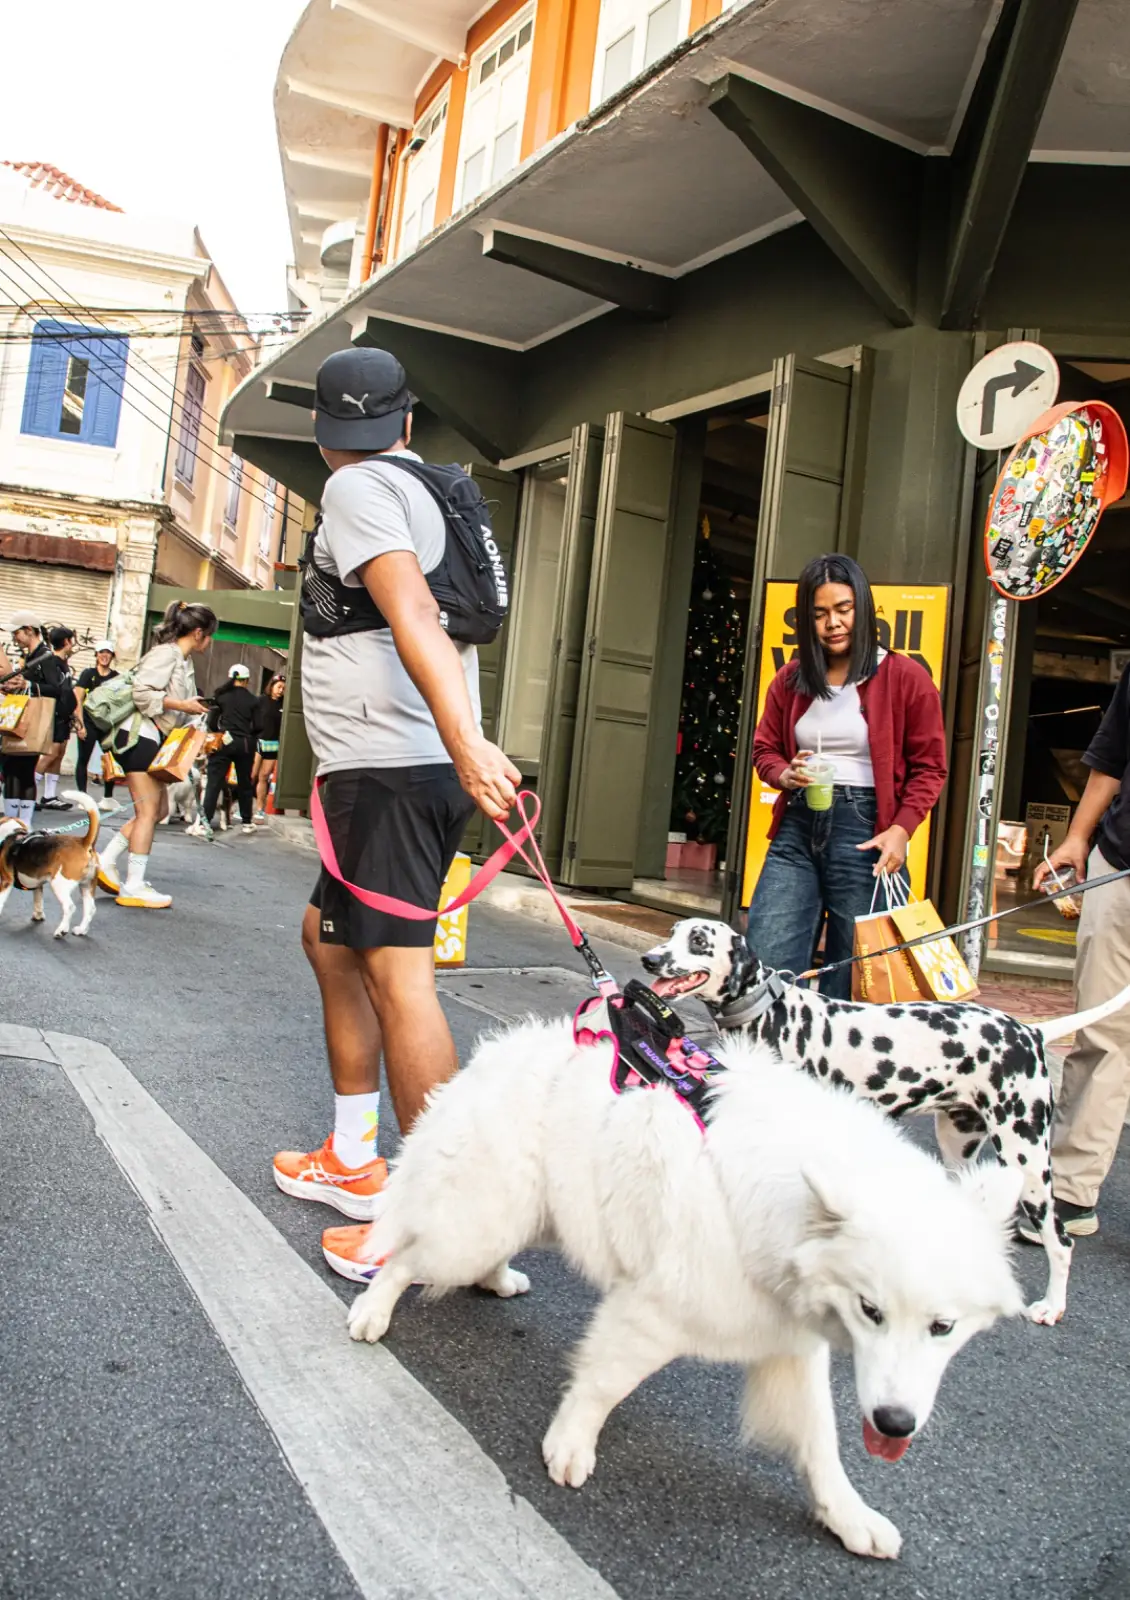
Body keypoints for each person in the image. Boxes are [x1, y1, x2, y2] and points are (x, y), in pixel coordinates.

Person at [271, 345, 519, 1281]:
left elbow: (412, 612)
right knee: (327, 939)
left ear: (327, 435)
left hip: (391, 770)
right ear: (408, 421)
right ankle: (352, 1155)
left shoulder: (357, 489)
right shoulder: (434, 488)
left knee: (397, 976)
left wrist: (462, 741)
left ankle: (438, 1222)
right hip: (390, 770)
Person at [745, 553, 947, 1001]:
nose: (832, 623)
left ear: (863, 608)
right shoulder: (791, 678)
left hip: (867, 831)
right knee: (767, 955)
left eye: (843, 609)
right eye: (819, 614)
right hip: (798, 825)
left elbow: (930, 766)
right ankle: (765, 1063)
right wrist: (784, 773)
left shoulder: (905, 677)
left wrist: (901, 829)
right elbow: (764, 750)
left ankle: (833, 1068)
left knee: (856, 973)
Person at [1027, 659, 1130, 1240]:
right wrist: (1077, 837)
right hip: (1119, 864)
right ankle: (1068, 1192)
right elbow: (1112, 752)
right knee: (1102, 1033)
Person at [95, 600, 215, 909]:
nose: (211, 641)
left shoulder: (183, 660)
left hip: (151, 739)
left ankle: (105, 862)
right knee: (148, 813)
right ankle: (133, 885)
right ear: (199, 633)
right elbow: (143, 693)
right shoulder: (166, 654)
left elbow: (172, 702)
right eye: (210, 635)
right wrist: (183, 705)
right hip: (139, 737)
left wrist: (192, 711)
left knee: (159, 810)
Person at [190, 664, 259, 841]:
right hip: (244, 744)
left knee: (214, 782)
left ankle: (205, 822)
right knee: (244, 783)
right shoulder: (253, 700)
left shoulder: (221, 696)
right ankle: (246, 821)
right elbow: (258, 726)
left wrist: (220, 732)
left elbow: (212, 721)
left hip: (223, 741)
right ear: (247, 680)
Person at [2, 611, 54, 828]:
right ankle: (13, 823)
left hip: (32, 724)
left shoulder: (46, 657)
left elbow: (59, 690)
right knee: (13, 772)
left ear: (30, 631)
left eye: (17, 633)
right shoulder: (31, 657)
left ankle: (23, 823)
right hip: (22, 723)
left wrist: (28, 686)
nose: (15, 638)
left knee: (23, 772)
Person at [74, 638, 120, 811]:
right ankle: (83, 797)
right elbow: (77, 698)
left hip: (107, 725)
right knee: (83, 759)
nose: (104, 656)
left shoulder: (117, 677)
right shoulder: (88, 674)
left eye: (108, 652)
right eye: (101, 652)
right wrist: (80, 725)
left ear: (112, 655)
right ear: (96, 655)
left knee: (111, 760)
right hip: (88, 722)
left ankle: (108, 798)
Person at [252, 672, 285, 823]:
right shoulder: (260, 701)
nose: (280, 690)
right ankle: (242, 804)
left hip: (274, 744)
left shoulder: (284, 704)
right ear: (271, 686)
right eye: (278, 687)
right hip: (259, 741)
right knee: (251, 775)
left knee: (264, 776)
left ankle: (260, 808)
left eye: (283, 688)